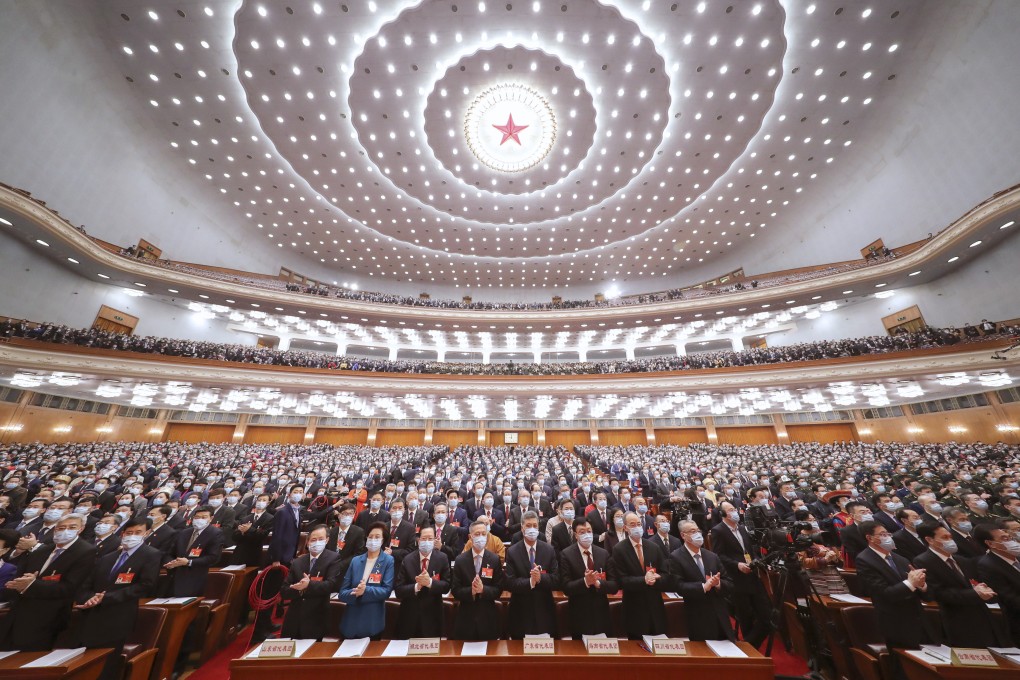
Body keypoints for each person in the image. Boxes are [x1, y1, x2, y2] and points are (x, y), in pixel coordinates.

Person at [74, 518, 161, 680]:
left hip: (119, 616)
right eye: (129, 533)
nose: (132, 536)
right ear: (122, 534)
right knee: (85, 665)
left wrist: (106, 598)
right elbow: (86, 584)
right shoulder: (107, 558)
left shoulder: (151, 555)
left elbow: (145, 585)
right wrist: (89, 599)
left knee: (107, 666)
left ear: (147, 533)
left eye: (137, 533)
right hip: (91, 615)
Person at [1, 512, 98, 650]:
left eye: (71, 527)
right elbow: (23, 577)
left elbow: (70, 587)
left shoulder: (85, 551)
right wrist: (19, 584)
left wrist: (32, 584)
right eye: (60, 527)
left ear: (80, 529)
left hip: (48, 616)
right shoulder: (42, 550)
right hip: (19, 612)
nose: (64, 531)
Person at [914, 522, 1006, 647]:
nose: (950, 540)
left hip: (983, 617)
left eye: (950, 537)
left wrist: (986, 591)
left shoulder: (962, 560)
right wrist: (974, 593)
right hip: (957, 620)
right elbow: (939, 593)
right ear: (929, 540)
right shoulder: (923, 560)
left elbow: (977, 583)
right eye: (945, 538)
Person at [854, 520, 932, 652]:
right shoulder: (864, 560)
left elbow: (926, 595)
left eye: (888, 533)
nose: (888, 537)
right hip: (896, 623)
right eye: (883, 534)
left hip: (919, 620)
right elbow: (885, 594)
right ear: (869, 538)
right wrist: (910, 583)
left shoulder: (901, 559)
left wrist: (922, 585)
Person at [711, 500, 771, 648]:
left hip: (752, 574)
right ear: (723, 514)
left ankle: (747, 644)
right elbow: (719, 555)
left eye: (734, 509)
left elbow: (750, 550)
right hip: (736, 578)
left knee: (767, 616)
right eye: (730, 510)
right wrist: (737, 565)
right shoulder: (718, 530)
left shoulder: (743, 528)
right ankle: (751, 650)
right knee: (746, 617)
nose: (734, 512)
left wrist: (756, 560)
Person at [668, 520, 736, 641]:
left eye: (698, 531)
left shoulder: (712, 556)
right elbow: (678, 586)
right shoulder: (676, 557)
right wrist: (703, 587)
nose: (697, 534)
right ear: (683, 535)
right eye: (692, 531)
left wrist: (718, 584)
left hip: (719, 614)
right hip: (697, 615)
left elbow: (729, 582)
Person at [609, 510, 668, 639]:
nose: (637, 527)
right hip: (634, 610)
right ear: (625, 527)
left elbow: (665, 574)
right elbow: (622, 581)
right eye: (632, 524)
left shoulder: (653, 547)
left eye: (639, 524)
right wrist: (644, 580)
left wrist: (659, 578)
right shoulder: (619, 549)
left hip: (655, 608)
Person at [280, 525, 342, 641]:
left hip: (317, 617)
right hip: (295, 618)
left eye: (321, 539)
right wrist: (299, 589)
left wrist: (308, 585)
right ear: (307, 542)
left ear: (327, 540)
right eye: (313, 540)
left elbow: (331, 585)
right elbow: (284, 591)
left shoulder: (333, 558)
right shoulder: (298, 562)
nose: (317, 542)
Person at [558, 518, 617, 639]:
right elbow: (566, 587)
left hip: (602, 616)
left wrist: (598, 583)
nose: (586, 534)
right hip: (579, 617)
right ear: (575, 535)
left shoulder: (603, 554)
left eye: (589, 531)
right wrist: (585, 581)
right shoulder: (566, 554)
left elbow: (614, 585)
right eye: (582, 532)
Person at [505, 511, 558, 638]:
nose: (532, 529)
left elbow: (556, 580)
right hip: (520, 611)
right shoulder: (512, 551)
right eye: (528, 526)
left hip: (544, 609)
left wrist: (540, 578)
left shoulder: (549, 550)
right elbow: (510, 583)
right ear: (522, 528)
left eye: (535, 525)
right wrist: (530, 582)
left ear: (539, 528)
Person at [338, 522, 394, 640]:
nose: (373, 539)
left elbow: (386, 591)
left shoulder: (388, 561)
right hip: (351, 621)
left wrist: (365, 590)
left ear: (383, 540)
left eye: (377, 537)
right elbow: (342, 593)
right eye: (370, 536)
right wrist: (356, 593)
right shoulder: (356, 561)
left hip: (372, 621)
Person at [394, 525, 450, 638]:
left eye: (430, 539)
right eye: (424, 539)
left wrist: (429, 582)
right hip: (410, 616)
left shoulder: (442, 558)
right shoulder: (408, 559)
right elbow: (399, 590)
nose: (427, 541)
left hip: (433, 615)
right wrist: (417, 586)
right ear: (418, 540)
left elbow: (446, 586)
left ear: (435, 540)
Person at [452, 520, 504, 640]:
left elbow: (498, 589)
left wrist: (483, 589)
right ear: (470, 537)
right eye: (477, 534)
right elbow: (455, 590)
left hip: (488, 618)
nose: (481, 537)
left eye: (483, 534)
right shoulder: (460, 560)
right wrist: (472, 591)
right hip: (465, 618)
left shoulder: (494, 559)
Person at [975, 523, 1020, 646]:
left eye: (1009, 537)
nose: (1010, 541)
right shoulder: (988, 565)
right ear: (990, 544)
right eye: (1004, 539)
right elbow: (1009, 597)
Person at [164, 506, 224, 596]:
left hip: (195, 576)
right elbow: (170, 552)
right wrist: (170, 562)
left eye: (204, 517)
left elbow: (213, 557)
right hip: (175, 575)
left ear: (211, 518)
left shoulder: (215, 533)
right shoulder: (184, 532)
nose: (200, 519)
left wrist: (189, 562)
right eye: (197, 517)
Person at [327, 503, 366, 581]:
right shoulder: (331, 532)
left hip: (347, 569)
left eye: (351, 514)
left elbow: (359, 553)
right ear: (339, 515)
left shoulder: (359, 532)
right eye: (345, 513)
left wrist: (340, 565)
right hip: (330, 568)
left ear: (353, 516)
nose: (347, 516)